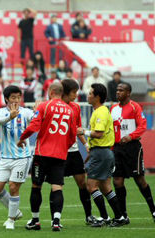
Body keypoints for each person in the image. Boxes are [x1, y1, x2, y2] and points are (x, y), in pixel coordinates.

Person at [18, 82, 77, 232]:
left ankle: (35, 220)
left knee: (36, 186)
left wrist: (22, 138)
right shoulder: (70, 110)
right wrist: (64, 147)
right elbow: (72, 136)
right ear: (61, 92)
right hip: (60, 155)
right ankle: (56, 221)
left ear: (50, 92)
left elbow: (33, 127)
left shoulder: (44, 106)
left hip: (42, 153)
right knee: (57, 186)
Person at [77, 83, 127, 227]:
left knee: (91, 186)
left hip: (101, 152)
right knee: (105, 187)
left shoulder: (100, 112)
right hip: (103, 152)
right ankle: (119, 216)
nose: (88, 95)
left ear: (97, 97)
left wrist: (82, 131)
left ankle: (105, 217)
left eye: (90, 93)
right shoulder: (101, 111)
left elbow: (98, 134)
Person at [110, 83, 155, 223]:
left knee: (140, 180)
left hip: (132, 148)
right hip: (117, 149)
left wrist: (131, 136)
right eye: (117, 90)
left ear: (128, 93)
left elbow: (142, 125)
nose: (118, 92)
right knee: (117, 181)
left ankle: (153, 210)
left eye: (121, 90)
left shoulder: (135, 107)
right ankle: (123, 216)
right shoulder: (112, 108)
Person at [0, 85, 34, 229]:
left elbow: (36, 120)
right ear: (6, 99)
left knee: (13, 187)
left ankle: (11, 220)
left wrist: (39, 111)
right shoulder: (0, 112)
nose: (16, 100)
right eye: (13, 98)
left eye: (18, 97)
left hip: (22, 157)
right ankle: (15, 212)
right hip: (5, 158)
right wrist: (10, 116)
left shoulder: (26, 112)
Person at [59, 79, 96, 225]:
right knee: (57, 185)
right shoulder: (53, 106)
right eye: (74, 92)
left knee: (82, 183)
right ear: (65, 92)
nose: (76, 95)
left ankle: (89, 216)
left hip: (73, 151)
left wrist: (85, 144)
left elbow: (78, 128)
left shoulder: (75, 107)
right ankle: (56, 218)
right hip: (58, 152)